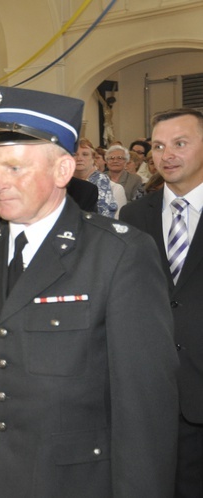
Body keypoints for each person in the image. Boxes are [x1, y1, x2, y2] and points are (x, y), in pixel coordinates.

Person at [0, 86, 179, 497]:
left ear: (62, 171)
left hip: (70, 480)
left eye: (14, 168)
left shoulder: (118, 254)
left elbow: (145, 409)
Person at [119, 108, 203, 497]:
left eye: (180, 143)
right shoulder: (133, 216)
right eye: (158, 146)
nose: (166, 154)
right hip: (146, 392)